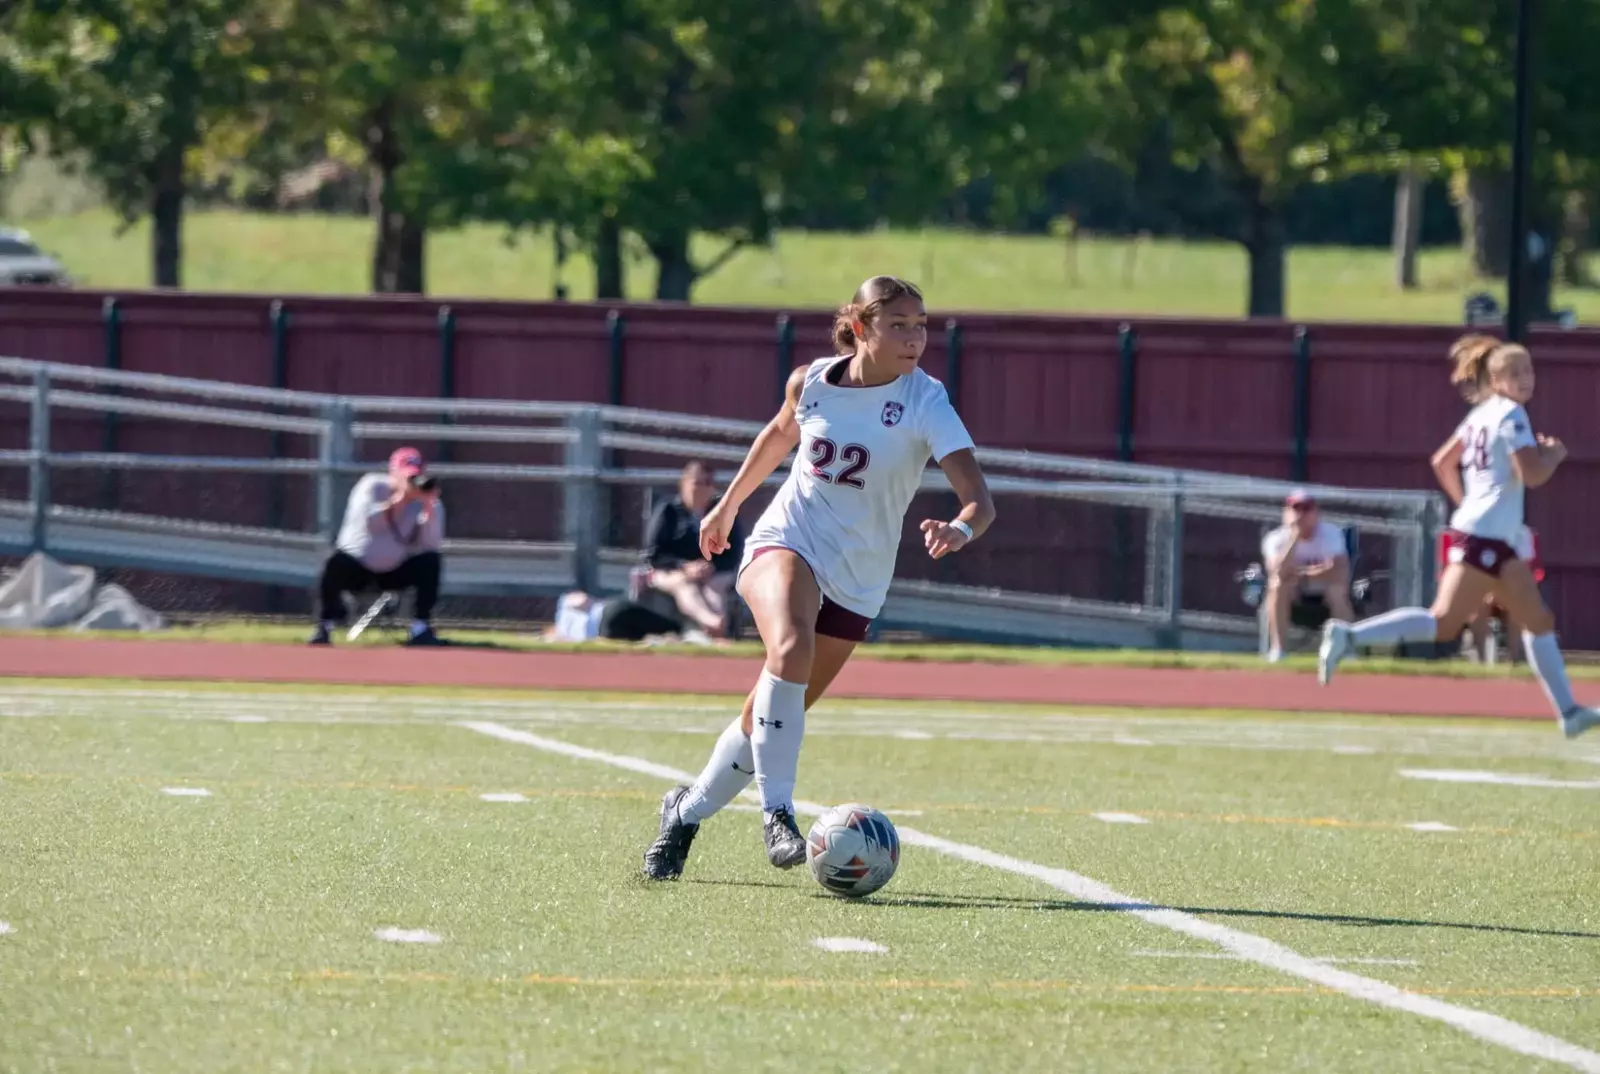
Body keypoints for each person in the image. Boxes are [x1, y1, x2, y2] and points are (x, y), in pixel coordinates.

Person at [641, 275, 996, 881]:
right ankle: (778, 814)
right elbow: (779, 434)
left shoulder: (925, 400)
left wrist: (959, 530)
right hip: (787, 542)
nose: (915, 338)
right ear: (861, 328)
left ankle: (686, 809)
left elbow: (980, 502)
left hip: (859, 577)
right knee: (790, 643)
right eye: (899, 324)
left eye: (922, 325)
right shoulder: (811, 383)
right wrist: (727, 506)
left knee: (768, 717)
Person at [1318, 335, 1597, 738]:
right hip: (1485, 536)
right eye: (1515, 372)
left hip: (1488, 536)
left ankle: (1569, 712)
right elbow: (1533, 474)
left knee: (1538, 620)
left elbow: (1442, 461)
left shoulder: (1480, 415)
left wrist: (1469, 504)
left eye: (1530, 371)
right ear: (1497, 378)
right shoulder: (1510, 414)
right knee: (1443, 622)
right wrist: (1553, 454)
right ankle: (1348, 635)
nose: (1526, 379)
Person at [310, 446, 445, 647]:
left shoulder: (427, 502)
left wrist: (428, 506)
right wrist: (399, 500)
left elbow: (431, 543)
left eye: (415, 476)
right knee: (334, 563)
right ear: (393, 472)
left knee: (430, 562)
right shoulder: (371, 486)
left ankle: (420, 629)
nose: (411, 482)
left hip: (395, 569)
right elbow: (371, 522)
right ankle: (324, 627)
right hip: (359, 566)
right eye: (406, 476)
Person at [641, 460, 746, 637]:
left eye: (708, 483)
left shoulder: (723, 513)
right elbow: (653, 554)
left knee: (714, 587)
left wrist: (712, 567)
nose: (702, 489)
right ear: (683, 484)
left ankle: (715, 633)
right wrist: (684, 566)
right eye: (697, 483)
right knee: (685, 585)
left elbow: (734, 553)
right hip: (671, 571)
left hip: (715, 572)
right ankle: (713, 623)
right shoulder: (668, 511)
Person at [1260, 490, 1353, 662]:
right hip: (1294, 596)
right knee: (1277, 585)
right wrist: (1295, 537)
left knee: (1338, 589)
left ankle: (1345, 650)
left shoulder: (1331, 534)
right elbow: (1277, 571)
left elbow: (1339, 570)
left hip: (1325, 594)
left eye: (1307, 509)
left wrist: (1300, 574)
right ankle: (1278, 650)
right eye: (1296, 508)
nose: (1301, 514)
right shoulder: (1275, 538)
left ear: (1316, 513)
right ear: (1286, 513)